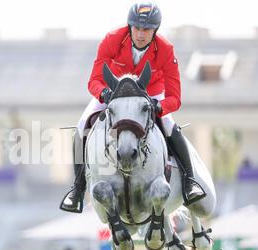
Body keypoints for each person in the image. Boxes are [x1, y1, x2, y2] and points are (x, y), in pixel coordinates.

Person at [60, 2, 206, 213]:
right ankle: (78, 189)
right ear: (130, 26)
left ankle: (190, 182)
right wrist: (103, 93)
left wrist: (159, 106)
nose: (140, 34)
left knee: (169, 125)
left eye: (146, 29)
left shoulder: (165, 49)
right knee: (82, 125)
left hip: (150, 94)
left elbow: (175, 98)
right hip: (114, 93)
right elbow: (94, 81)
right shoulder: (112, 40)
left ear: (155, 29)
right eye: (136, 27)